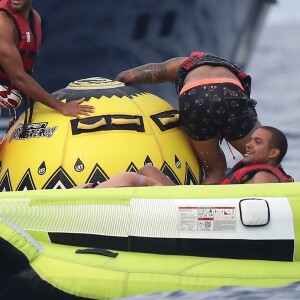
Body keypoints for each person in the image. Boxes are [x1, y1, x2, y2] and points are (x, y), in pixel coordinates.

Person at [115, 51, 262, 184]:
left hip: (193, 96)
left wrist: (116, 83)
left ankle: (202, 207)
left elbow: (129, 76)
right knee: (264, 159)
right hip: (228, 92)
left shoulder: (179, 64)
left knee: (215, 171)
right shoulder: (227, 67)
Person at [76, 126, 293, 189]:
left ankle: (79, 199)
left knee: (129, 179)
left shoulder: (265, 178)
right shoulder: (260, 173)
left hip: (205, 217)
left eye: (257, 142)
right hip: (198, 205)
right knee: (149, 170)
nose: (248, 144)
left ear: (274, 153)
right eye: (251, 139)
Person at [0, 0, 94, 119]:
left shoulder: (35, 19)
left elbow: (25, 70)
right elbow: (18, 77)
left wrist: (28, 116)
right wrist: (62, 107)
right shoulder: (2, 23)